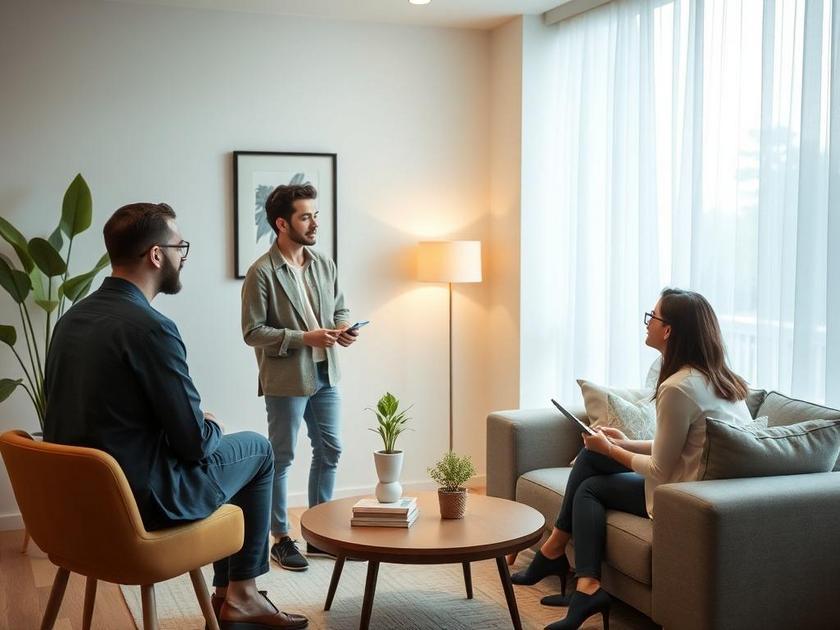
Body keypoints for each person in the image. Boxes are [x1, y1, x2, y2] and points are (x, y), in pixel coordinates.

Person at [44, 203, 307, 630]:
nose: (182, 255)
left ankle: (235, 595)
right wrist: (211, 422)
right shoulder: (150, 327)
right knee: (257, 450)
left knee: (230, 445)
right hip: (142, 504)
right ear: (155, 255)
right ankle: (241, 594)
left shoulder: (72, 319)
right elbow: (194, 444)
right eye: (178, 246)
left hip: (78, 509)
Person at [511, 288, 752, 630]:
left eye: (652, 316)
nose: (647, 323)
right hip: (705, 491)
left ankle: (563, 562)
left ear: (668, 330)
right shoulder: (722, 380)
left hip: (684, 501)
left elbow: (660, 469)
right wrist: (627, 442)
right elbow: (683, 448)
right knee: (591, 466)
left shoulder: (678, 388)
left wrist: (610, 451)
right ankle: (579, 580)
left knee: (590, 484)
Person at [241, 184, 358, 572]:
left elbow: (339, 308)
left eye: (315, 215)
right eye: (305, 216)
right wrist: (303, 338)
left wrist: (344, 329)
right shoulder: (261, 272)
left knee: (331, 449)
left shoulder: (324, 263)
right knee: (282, 457)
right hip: (287, 377)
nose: (314, 223)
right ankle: (281, 537)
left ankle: (319, 533)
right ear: (281, 223)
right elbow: (253, 332)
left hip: (327, 370)